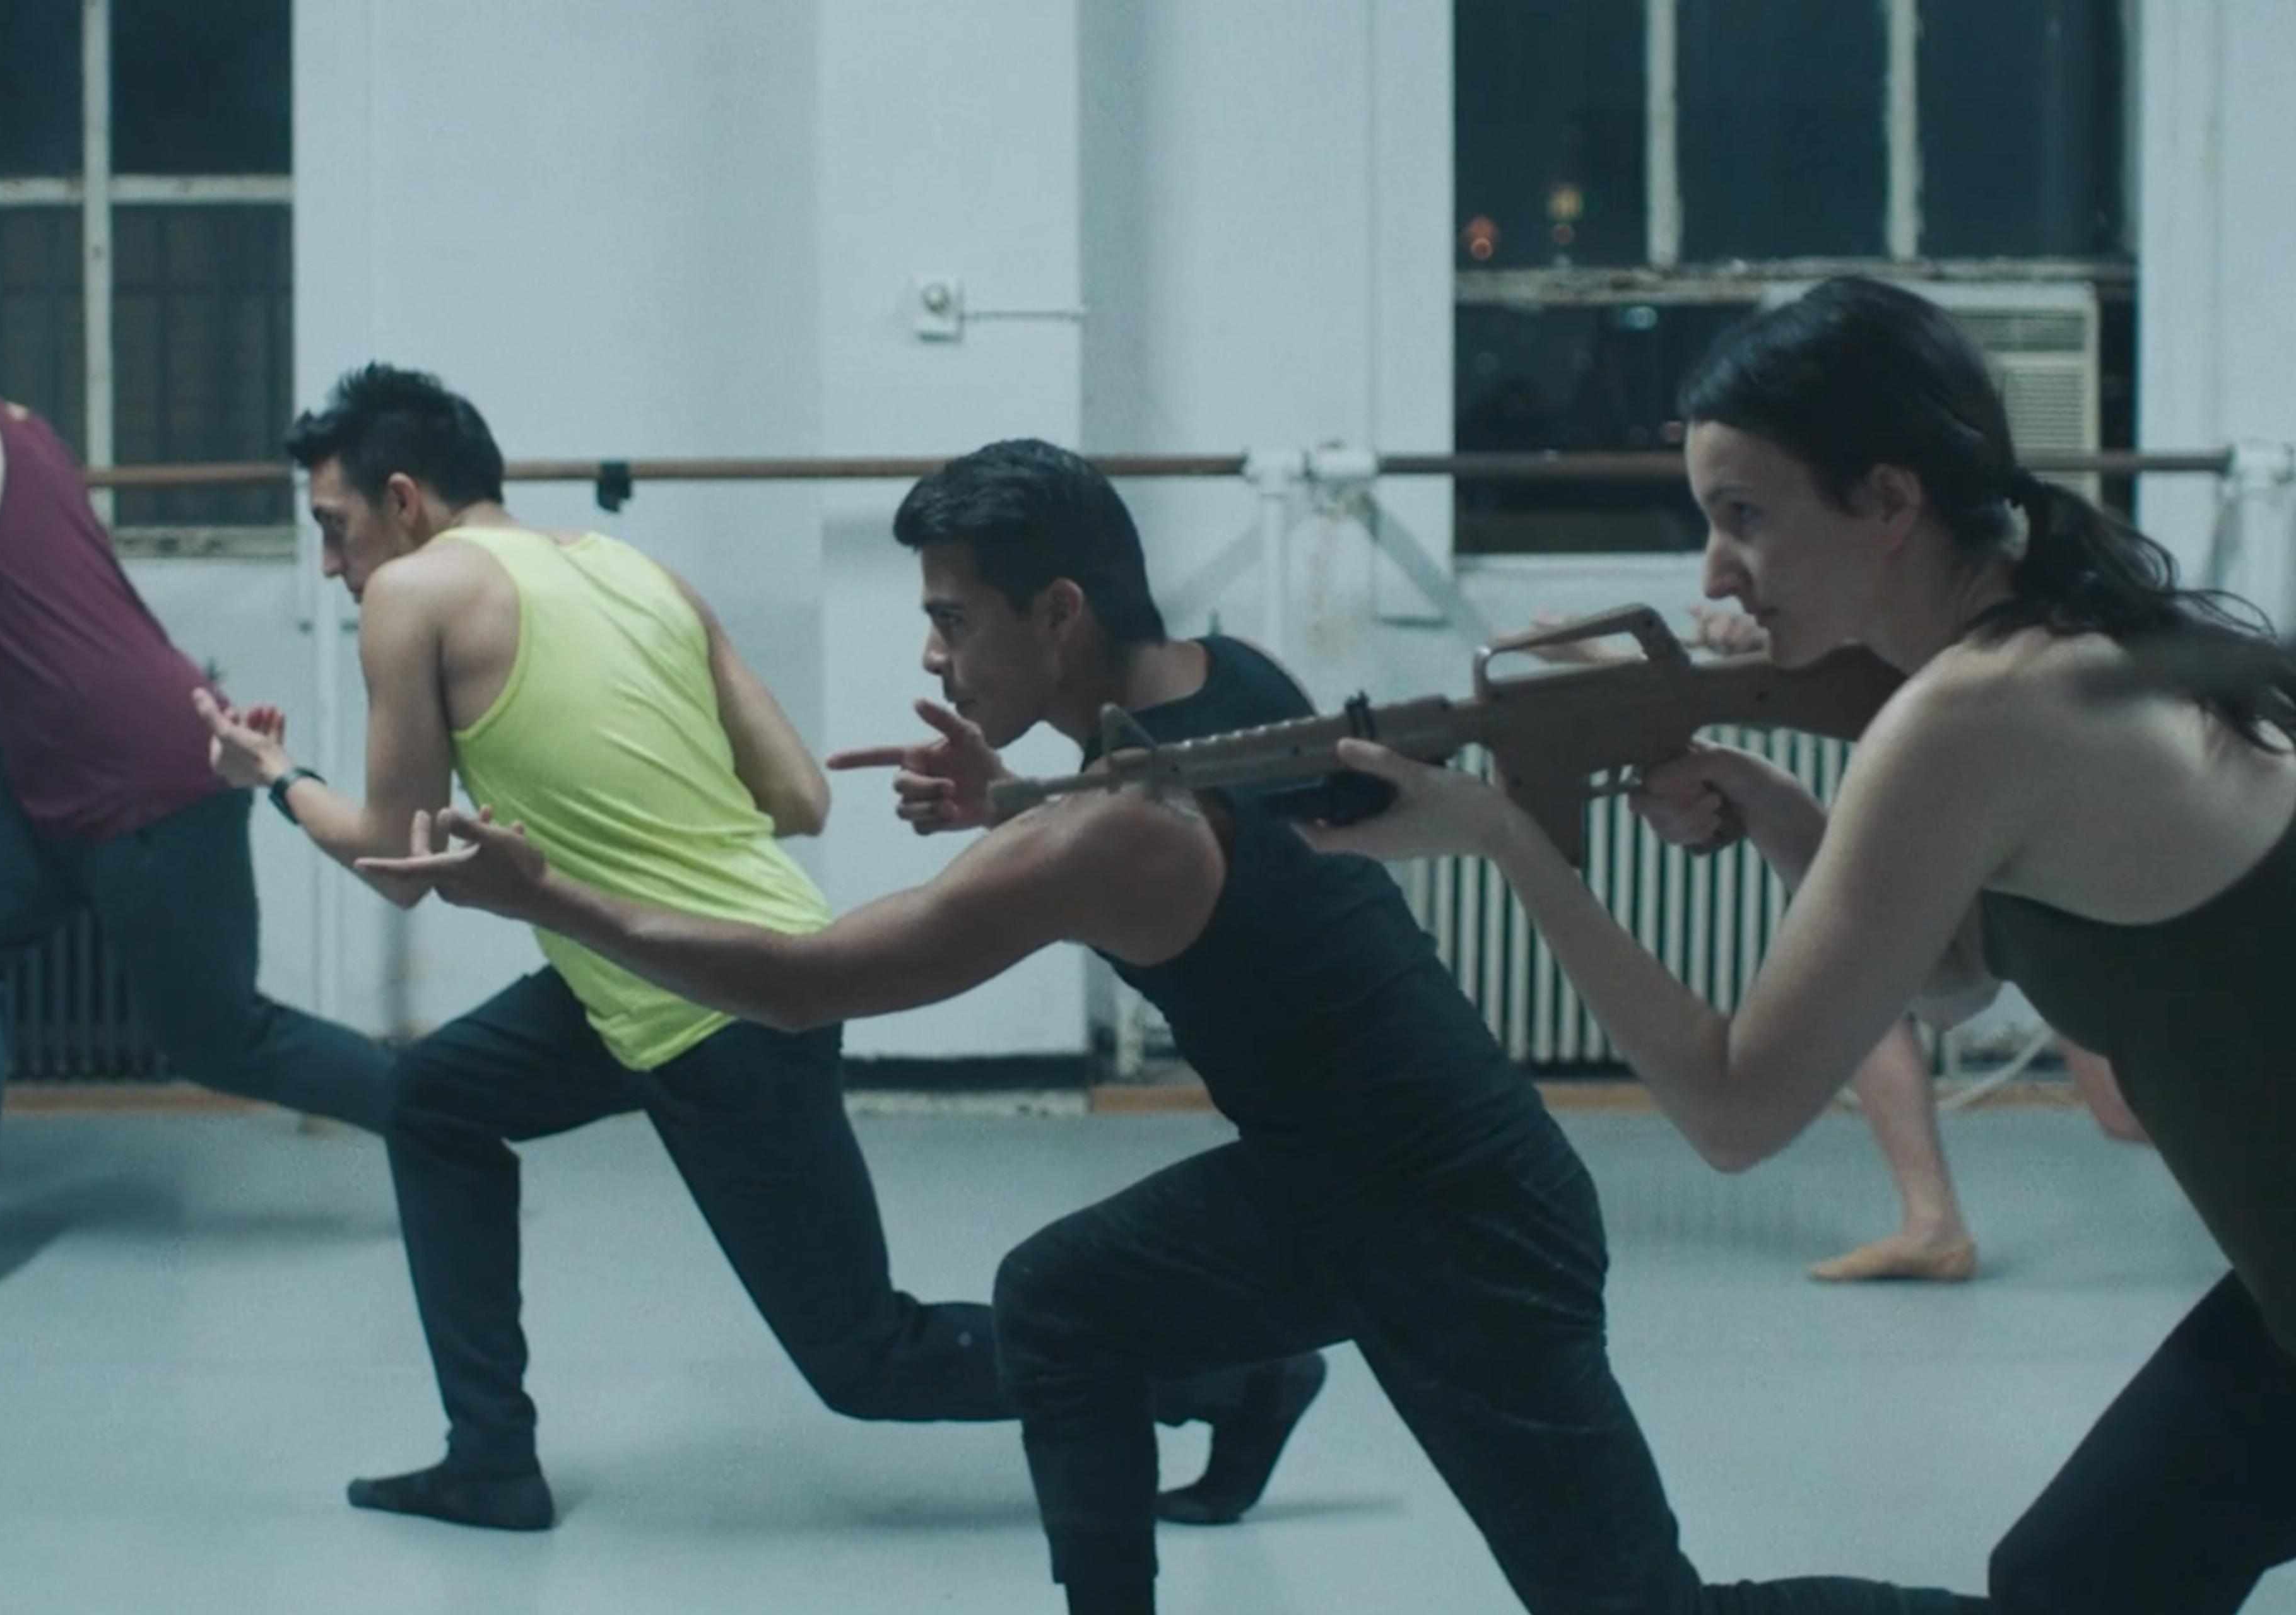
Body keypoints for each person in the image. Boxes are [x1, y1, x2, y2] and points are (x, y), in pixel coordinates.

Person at [367, 437, 1980, 1613]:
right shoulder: (1227, 680)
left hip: (1462, 1214)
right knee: (1063, 1299)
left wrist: (550, 896)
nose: (931, 653)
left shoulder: (1109, 826)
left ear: (1056, 611)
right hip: (1336, 1176)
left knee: (1633, 1608)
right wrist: (1016, 786)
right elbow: (1187, 796)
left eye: (953, 619)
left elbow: (804, 979)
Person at [1296, 276, 2296, 1613]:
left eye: (1746, 518)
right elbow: (1949, 981)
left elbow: (1732, 1108)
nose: (1716, 571)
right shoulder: (2047, 639)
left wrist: (1508, 842)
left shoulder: (1970, 712)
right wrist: (1778, 809)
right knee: (2081, 1574)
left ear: (1888, 502)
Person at [196, 367, 1308, 1534]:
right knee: (433, 1098)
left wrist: (274, 779)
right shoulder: (631, 573)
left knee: (869, 1360)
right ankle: (489, 1458)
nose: (333, 562)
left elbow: (396, 859)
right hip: (652, 973)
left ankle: (1232, 1380)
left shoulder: (411, 595)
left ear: (405, 500)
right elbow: (796, 797)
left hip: (720, 1006)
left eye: (335, 526)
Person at [0, 291, 394, 1298]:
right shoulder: (8, 433)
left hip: (150, 769)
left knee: (215, 1036)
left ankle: (443, 1108)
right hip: (59, 784)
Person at [1539, 606, 2147, 1283]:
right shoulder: (1884, 630)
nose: (1723, 572)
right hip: (1989, 841)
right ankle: (1931, 1223)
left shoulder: (1981, 632)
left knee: (2124, 1113)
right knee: (1860, 973)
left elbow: (1948, 998)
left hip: (2054, 847)